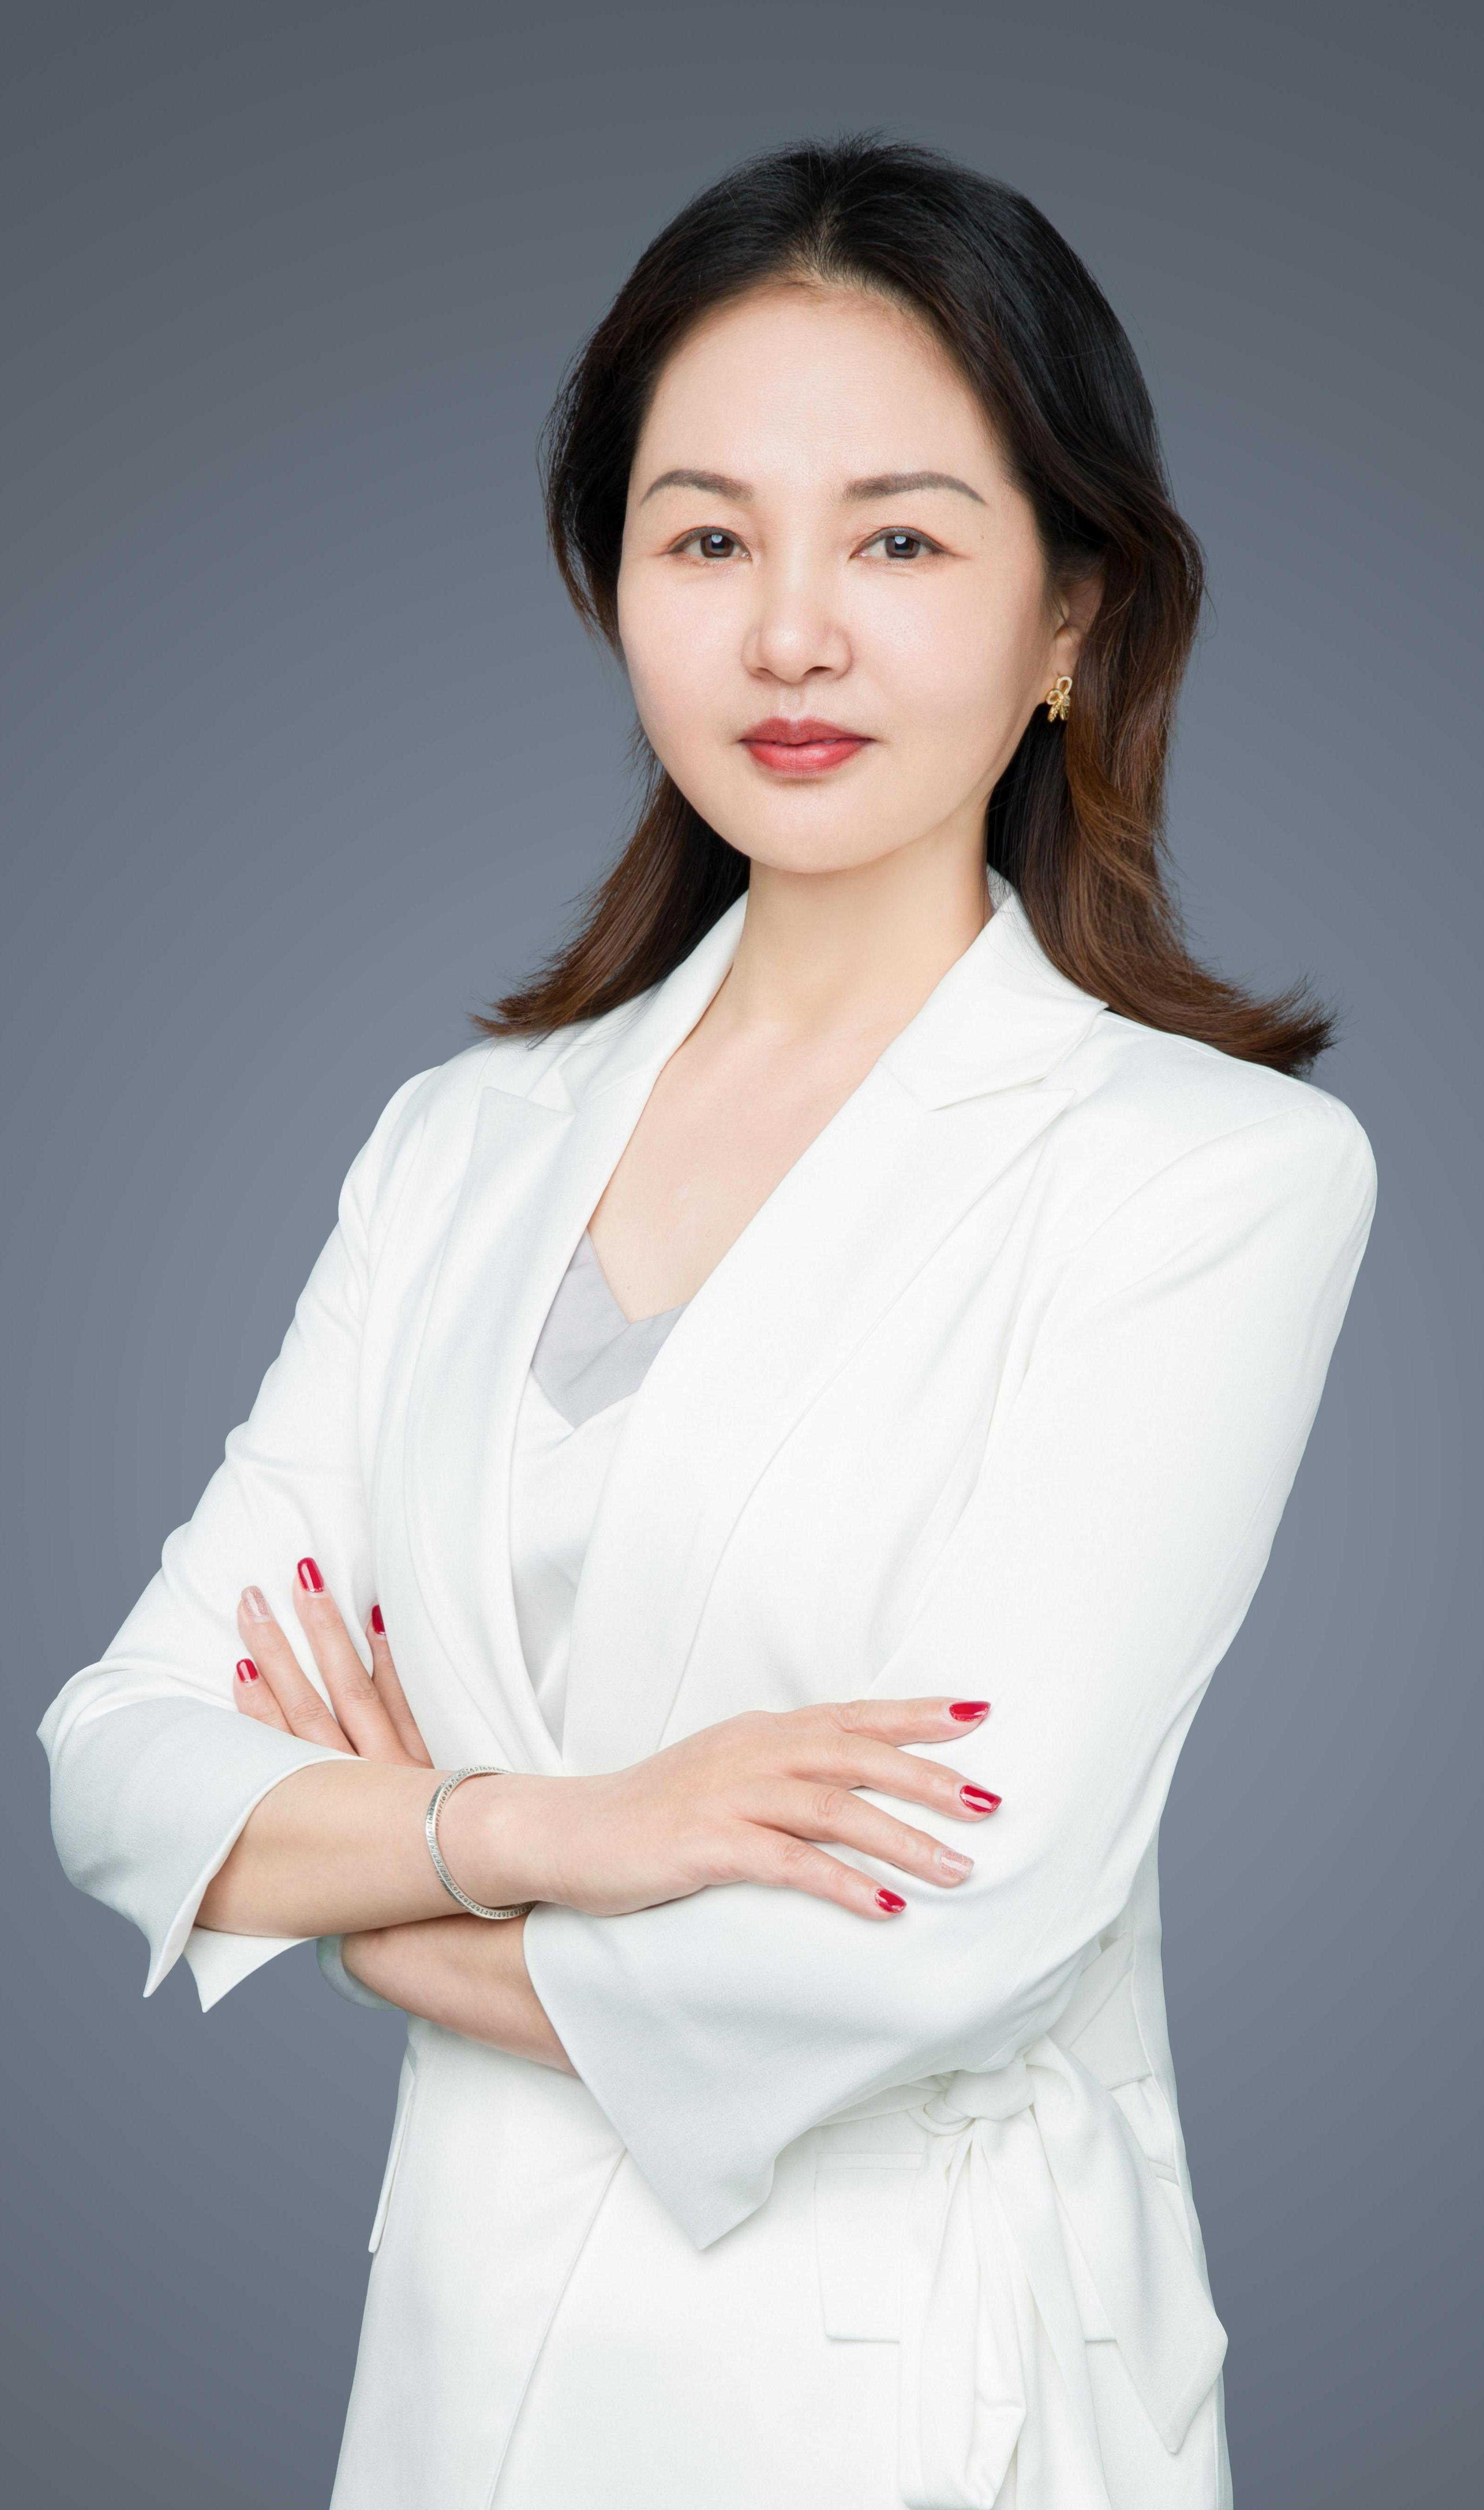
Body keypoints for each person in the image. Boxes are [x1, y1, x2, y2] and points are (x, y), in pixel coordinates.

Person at [38, 136, 1374, 2510]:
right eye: (705, 539)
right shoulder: (462, 1142)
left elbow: (934, 1931)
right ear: (617, 588)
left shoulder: (1203, 1176)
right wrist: (563, 1826)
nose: (791, 636)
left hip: (905, 2389)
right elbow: (122, 1761)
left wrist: (382, 1902)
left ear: (1071, 614)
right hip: (456, 2377)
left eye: (901, 540)